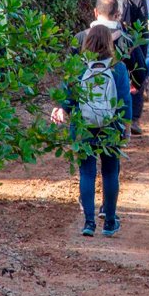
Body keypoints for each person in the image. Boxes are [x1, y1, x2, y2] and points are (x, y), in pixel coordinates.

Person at [52, 25, 131, 237]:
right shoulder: (118, 68)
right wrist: (127, 128)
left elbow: (68, 98)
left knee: (87, 172)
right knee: (110, 172)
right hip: (110, 127)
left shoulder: (77, 67)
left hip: (82, 127)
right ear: (109, 43)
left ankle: (88, 223)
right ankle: (110, 221)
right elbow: (125, 101)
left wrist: (62, 109)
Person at [99, 0, 148, 134]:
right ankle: (133, 119)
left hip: (103, 42)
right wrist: (141, 53)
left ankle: (101, 113)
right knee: (133, 80)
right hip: (127, 44)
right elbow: (142, 28)